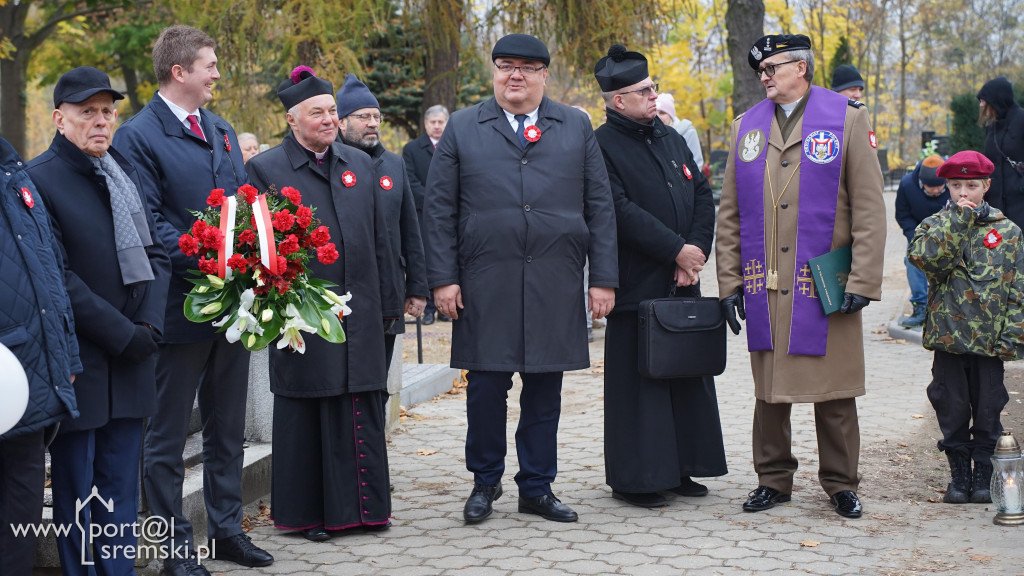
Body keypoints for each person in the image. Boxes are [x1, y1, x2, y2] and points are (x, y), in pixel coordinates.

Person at [422, 33, 618, 524]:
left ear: (544, 76)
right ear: (494, 72)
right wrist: (443, 279)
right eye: (506, 65)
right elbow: (439, 208)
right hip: (485, 282)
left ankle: (537, 486)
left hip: (555, 281)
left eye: (528, 67)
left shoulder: (574, 125)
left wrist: (604, 280)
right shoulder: (465, 127)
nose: (516, 75)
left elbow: (600, 206)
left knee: (545, 390)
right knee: (485, 388)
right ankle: (484, 483)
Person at [111, 25, 273, 575]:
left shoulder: (223, 130)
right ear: (179, 72)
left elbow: (241, 204)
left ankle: (226, 532)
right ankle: (174, 547)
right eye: (210, 65)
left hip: (231, 308)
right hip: (176, 309)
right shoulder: (137, 137)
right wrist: (209, 263)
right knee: (167, 435)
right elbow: (147, 223)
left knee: (227, 427)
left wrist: (253, 258)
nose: (217, 74)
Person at [716, 33, 886, 519]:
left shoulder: (846, 119)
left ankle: (841, 483)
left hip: (825, 283)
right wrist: (728, 284)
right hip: (765, 282)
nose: (764, 77)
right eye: (761, 71)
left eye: (773, 68)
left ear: (802, 68)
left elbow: (870, 208)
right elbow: (729, 215)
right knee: (770, 393)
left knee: (834, 392)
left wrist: (863, 279)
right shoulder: (745, 128)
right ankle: (773, 479)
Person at [246, 66, 402, 542]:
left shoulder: (359, 162)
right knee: (311, 408)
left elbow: (382, 239)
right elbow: (258, 246)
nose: (330, 120)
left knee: (360, 403)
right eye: (318, 113)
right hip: (304, 316)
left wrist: (389, 306)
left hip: (363, 308)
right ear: (293, 119)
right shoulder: (265, 169)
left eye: (333, 111)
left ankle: (364, 512)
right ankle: (309, 515)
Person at [26, 66, 170, 576]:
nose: (101, 122)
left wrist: (149, 328)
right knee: (77, 491)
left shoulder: (121, 172)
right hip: (81, 362)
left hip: (133, 357)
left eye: (108, 112)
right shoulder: (38, 181)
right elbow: (55, 278)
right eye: (88, 112)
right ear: (59, 118)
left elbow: (157, 256)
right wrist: (122, 334)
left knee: (119, 492)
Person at [592, 45, 727, 508]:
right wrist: (675, 249)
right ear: (617, 100)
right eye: (643, 91)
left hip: (682, 279)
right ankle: (637, 479)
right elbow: (618, 209)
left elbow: (703, 192)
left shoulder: (669, 136)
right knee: (641, 386)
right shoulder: (601, 145)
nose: (654, 96)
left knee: (684, 375)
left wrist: (695, 252)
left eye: (654, 87)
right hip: (637, 283)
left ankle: (681, 467)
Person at [907, 150, 1024, 504]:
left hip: (990, 345)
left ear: (986, 186)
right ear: (946, 186)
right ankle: (959, 476)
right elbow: (925, 259)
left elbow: (1018, 289)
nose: (963, 193)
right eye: (956, 185)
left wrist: (1012, 338)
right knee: (951, 409)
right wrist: (957, 221)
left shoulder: (1008, 232)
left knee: (988, 411)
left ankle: (983, 477)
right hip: (948, 340)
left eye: (971, 186)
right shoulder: (933, 226)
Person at [0, 136, 80, 576]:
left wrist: (65, 358)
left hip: (30, 369)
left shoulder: (15, 177)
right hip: (7, 367)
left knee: (23, 497)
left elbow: (50, 278)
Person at [336, 73, 428, 373]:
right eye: (363, 116)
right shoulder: (330, 163)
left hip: (388, 289)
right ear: (340, 122)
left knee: (379, 380)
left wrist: (417, 288)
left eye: (377, 116)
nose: (373, 123)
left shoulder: (394, 164)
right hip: (341, 294)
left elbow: (410, 230)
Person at [403, 104, 449, 325]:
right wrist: (434, 203)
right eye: (433, 122)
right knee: (426, 259)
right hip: (422, 214)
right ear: (426, 124)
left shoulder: (453, 146)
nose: (437, 126)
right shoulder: (412, 149)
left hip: (450, 215)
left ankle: (447, 309)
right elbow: (410, 181)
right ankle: (429, 308)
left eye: (441, 122)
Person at [895, 154, 949, 328]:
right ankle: (920, 307)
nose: (935, 191)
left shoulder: (953, 184)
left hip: (949, 235)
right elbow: (903, 215)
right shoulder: (907, 185)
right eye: (930, 187)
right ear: (921, 182)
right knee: (911, 261)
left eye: (939, 187)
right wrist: (916, 237)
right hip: (919, 234)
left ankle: (949, 308)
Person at [977, 77, 1024, 226]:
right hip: (996, 205)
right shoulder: (992, 126)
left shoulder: (1021, 119)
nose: (981, 105)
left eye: (984, 100)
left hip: (1020, 202)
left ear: (997, 100)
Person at [654, 92, 704, 169]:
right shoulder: (651, 134)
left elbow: (697, 163)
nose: (658, 117)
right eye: (655, 113)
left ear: (671, 116)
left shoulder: (688, 132)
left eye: (662, 113)